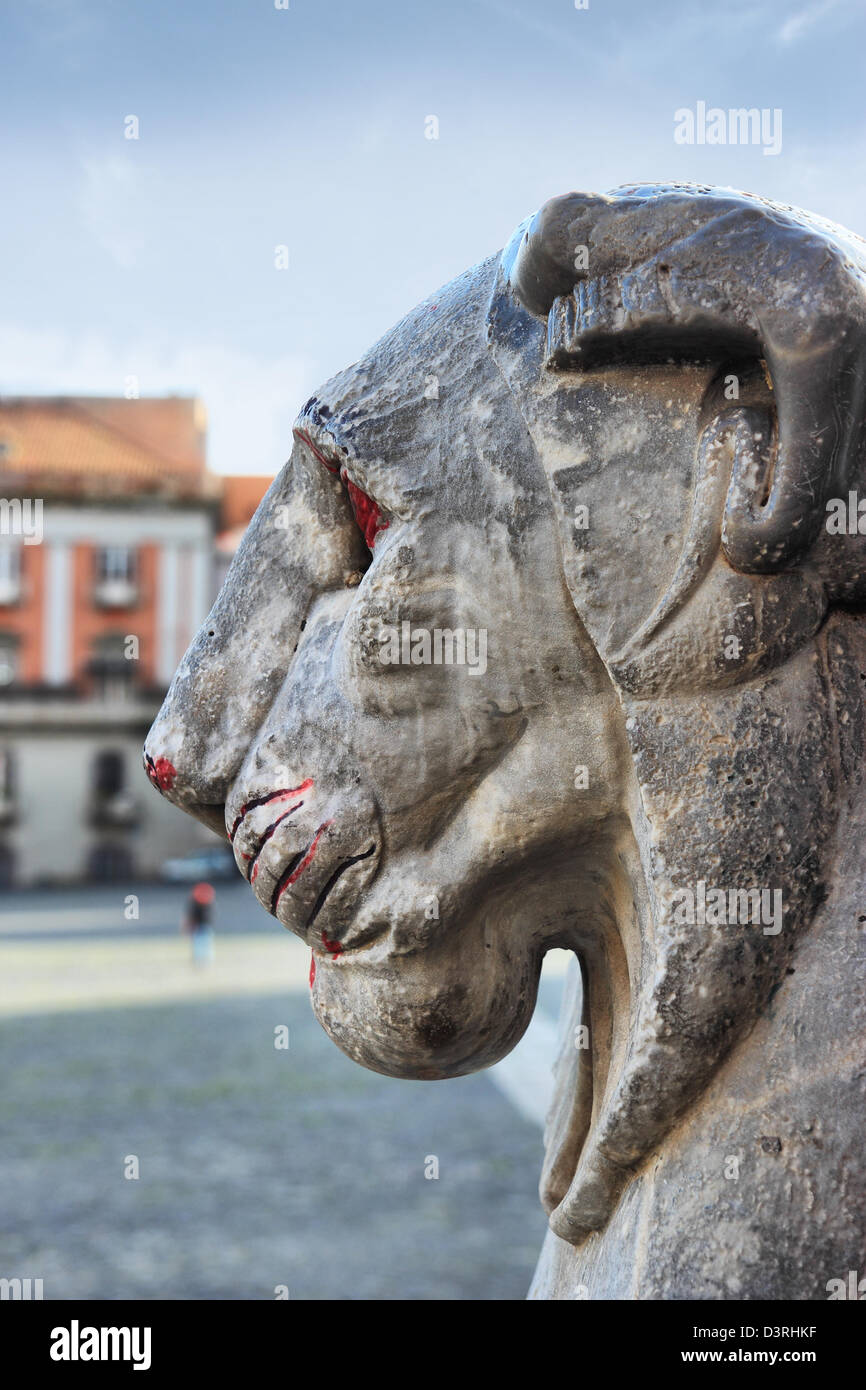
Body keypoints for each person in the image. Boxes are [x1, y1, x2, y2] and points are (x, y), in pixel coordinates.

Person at [183, 881, 215, 966]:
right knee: (202, 945)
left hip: (202, 927)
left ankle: (201, 961)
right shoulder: (206, 903)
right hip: (201, 927)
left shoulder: (197, 903)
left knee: (201, 945)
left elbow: (190, 917)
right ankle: (202, 961)